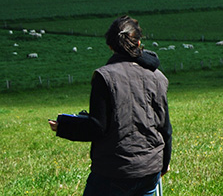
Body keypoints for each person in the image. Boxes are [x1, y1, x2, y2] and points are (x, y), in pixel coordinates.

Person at [48, 15, 172, 195]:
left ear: (110, 46)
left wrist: (65, 126)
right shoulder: (158, 77)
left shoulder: (104, 77)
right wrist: (164, 163)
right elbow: (165, 128)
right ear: (138, 44)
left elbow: (97, 127)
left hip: (113, 172)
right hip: (150, 169)